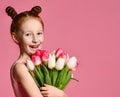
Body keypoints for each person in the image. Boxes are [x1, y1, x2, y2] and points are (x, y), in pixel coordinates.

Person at [6, 6, 68, 97]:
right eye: (28, 34)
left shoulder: (41, 65)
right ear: (15, 37)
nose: (35, 40)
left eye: (39, 33)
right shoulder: (20, 67)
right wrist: (61, 94)